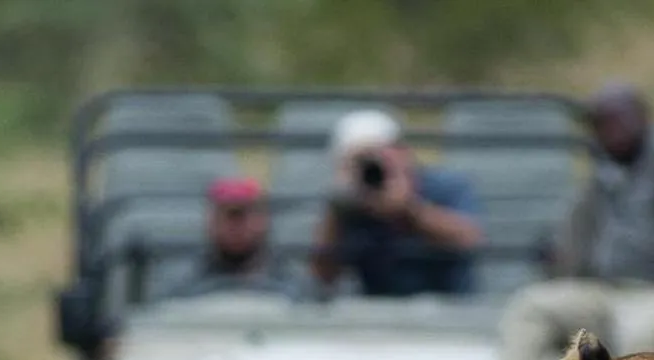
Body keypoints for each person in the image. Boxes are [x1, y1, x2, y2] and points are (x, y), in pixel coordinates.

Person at [495, 82, 654, 360]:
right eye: (601, 124)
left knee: (637, 335)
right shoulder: (604, 166)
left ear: (644, 118)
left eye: (618, 120)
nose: (611, 131)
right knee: (531, 305)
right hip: (609, 292)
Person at [312, 108, 484, 298]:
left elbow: (469, 239)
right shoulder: (349, 204)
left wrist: (409, 208)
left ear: (402, 153)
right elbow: (323, 276)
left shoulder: (446, 185)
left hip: (452, 305)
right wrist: (336, 210)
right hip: (380, 313)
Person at [163, 175, 307, 299]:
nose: (236, 227)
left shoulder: (293, 283)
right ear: (211, 222)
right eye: (228, 216)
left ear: (263, 221)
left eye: (244, 216)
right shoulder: (181, 284)